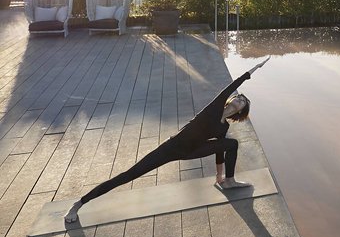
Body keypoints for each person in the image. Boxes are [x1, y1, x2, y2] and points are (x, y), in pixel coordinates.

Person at [64, 57, 271, 224]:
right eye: (238, 98)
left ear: (241, 111)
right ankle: (79, 203)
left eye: (242, 102)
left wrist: (219, 176)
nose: (239, 101)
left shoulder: (224, 126)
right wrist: (254, 69)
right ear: (231, 99)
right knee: (129, 174)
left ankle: (228, 181)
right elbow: (233, 85)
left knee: (231, 144)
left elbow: (219, 150)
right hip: (172, 148)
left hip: (194, 150)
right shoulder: (215, 106)